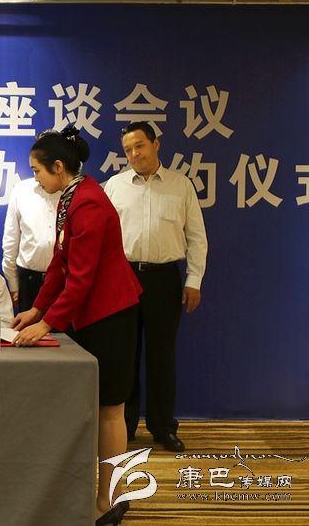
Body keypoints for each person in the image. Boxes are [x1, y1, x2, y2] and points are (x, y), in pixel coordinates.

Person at [11, 127, 141, 526]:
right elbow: (59, 262)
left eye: (37, 171)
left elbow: (81, 279)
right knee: (95, 409)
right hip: (90, 315)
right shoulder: (71, 198)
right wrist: (37, 309)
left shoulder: (89, 204)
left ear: (58, 166)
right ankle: (97, 493)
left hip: (111, 316)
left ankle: (112, 500)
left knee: (111, 410)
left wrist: (48, 323)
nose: (35, 179)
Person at [103, 121, 208, 454]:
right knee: (125, 356)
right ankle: (125, 426)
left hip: (164, 280)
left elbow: (196, 237)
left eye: (140, 146)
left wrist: (193, 280)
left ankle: (163, 427)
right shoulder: (114, 187)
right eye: (128, 150)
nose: (134, 154)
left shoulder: (181, 185)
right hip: (123, 279)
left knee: (162, 357)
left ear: (156, 144)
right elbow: (102, 238)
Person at [1, 176, 60, 314]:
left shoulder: (72, 192)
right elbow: (11, 240)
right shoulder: (21, 190)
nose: (37, 176)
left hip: (64, 281)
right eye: (34, 170)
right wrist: (13, 284)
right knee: (28, 327)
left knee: (62, 328)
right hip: (29, 281)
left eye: (38, 170)